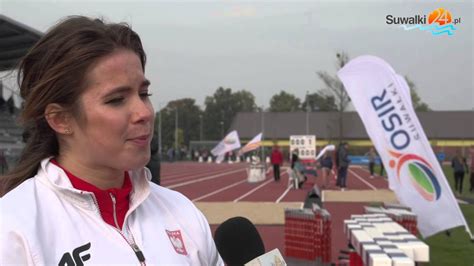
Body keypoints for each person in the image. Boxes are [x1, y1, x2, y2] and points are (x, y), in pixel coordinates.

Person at [0, 16, 222, 265]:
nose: (144, 112)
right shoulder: (13, 231)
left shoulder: (182, 212)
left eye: (144, 94)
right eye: (116, 99)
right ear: (60, 119)